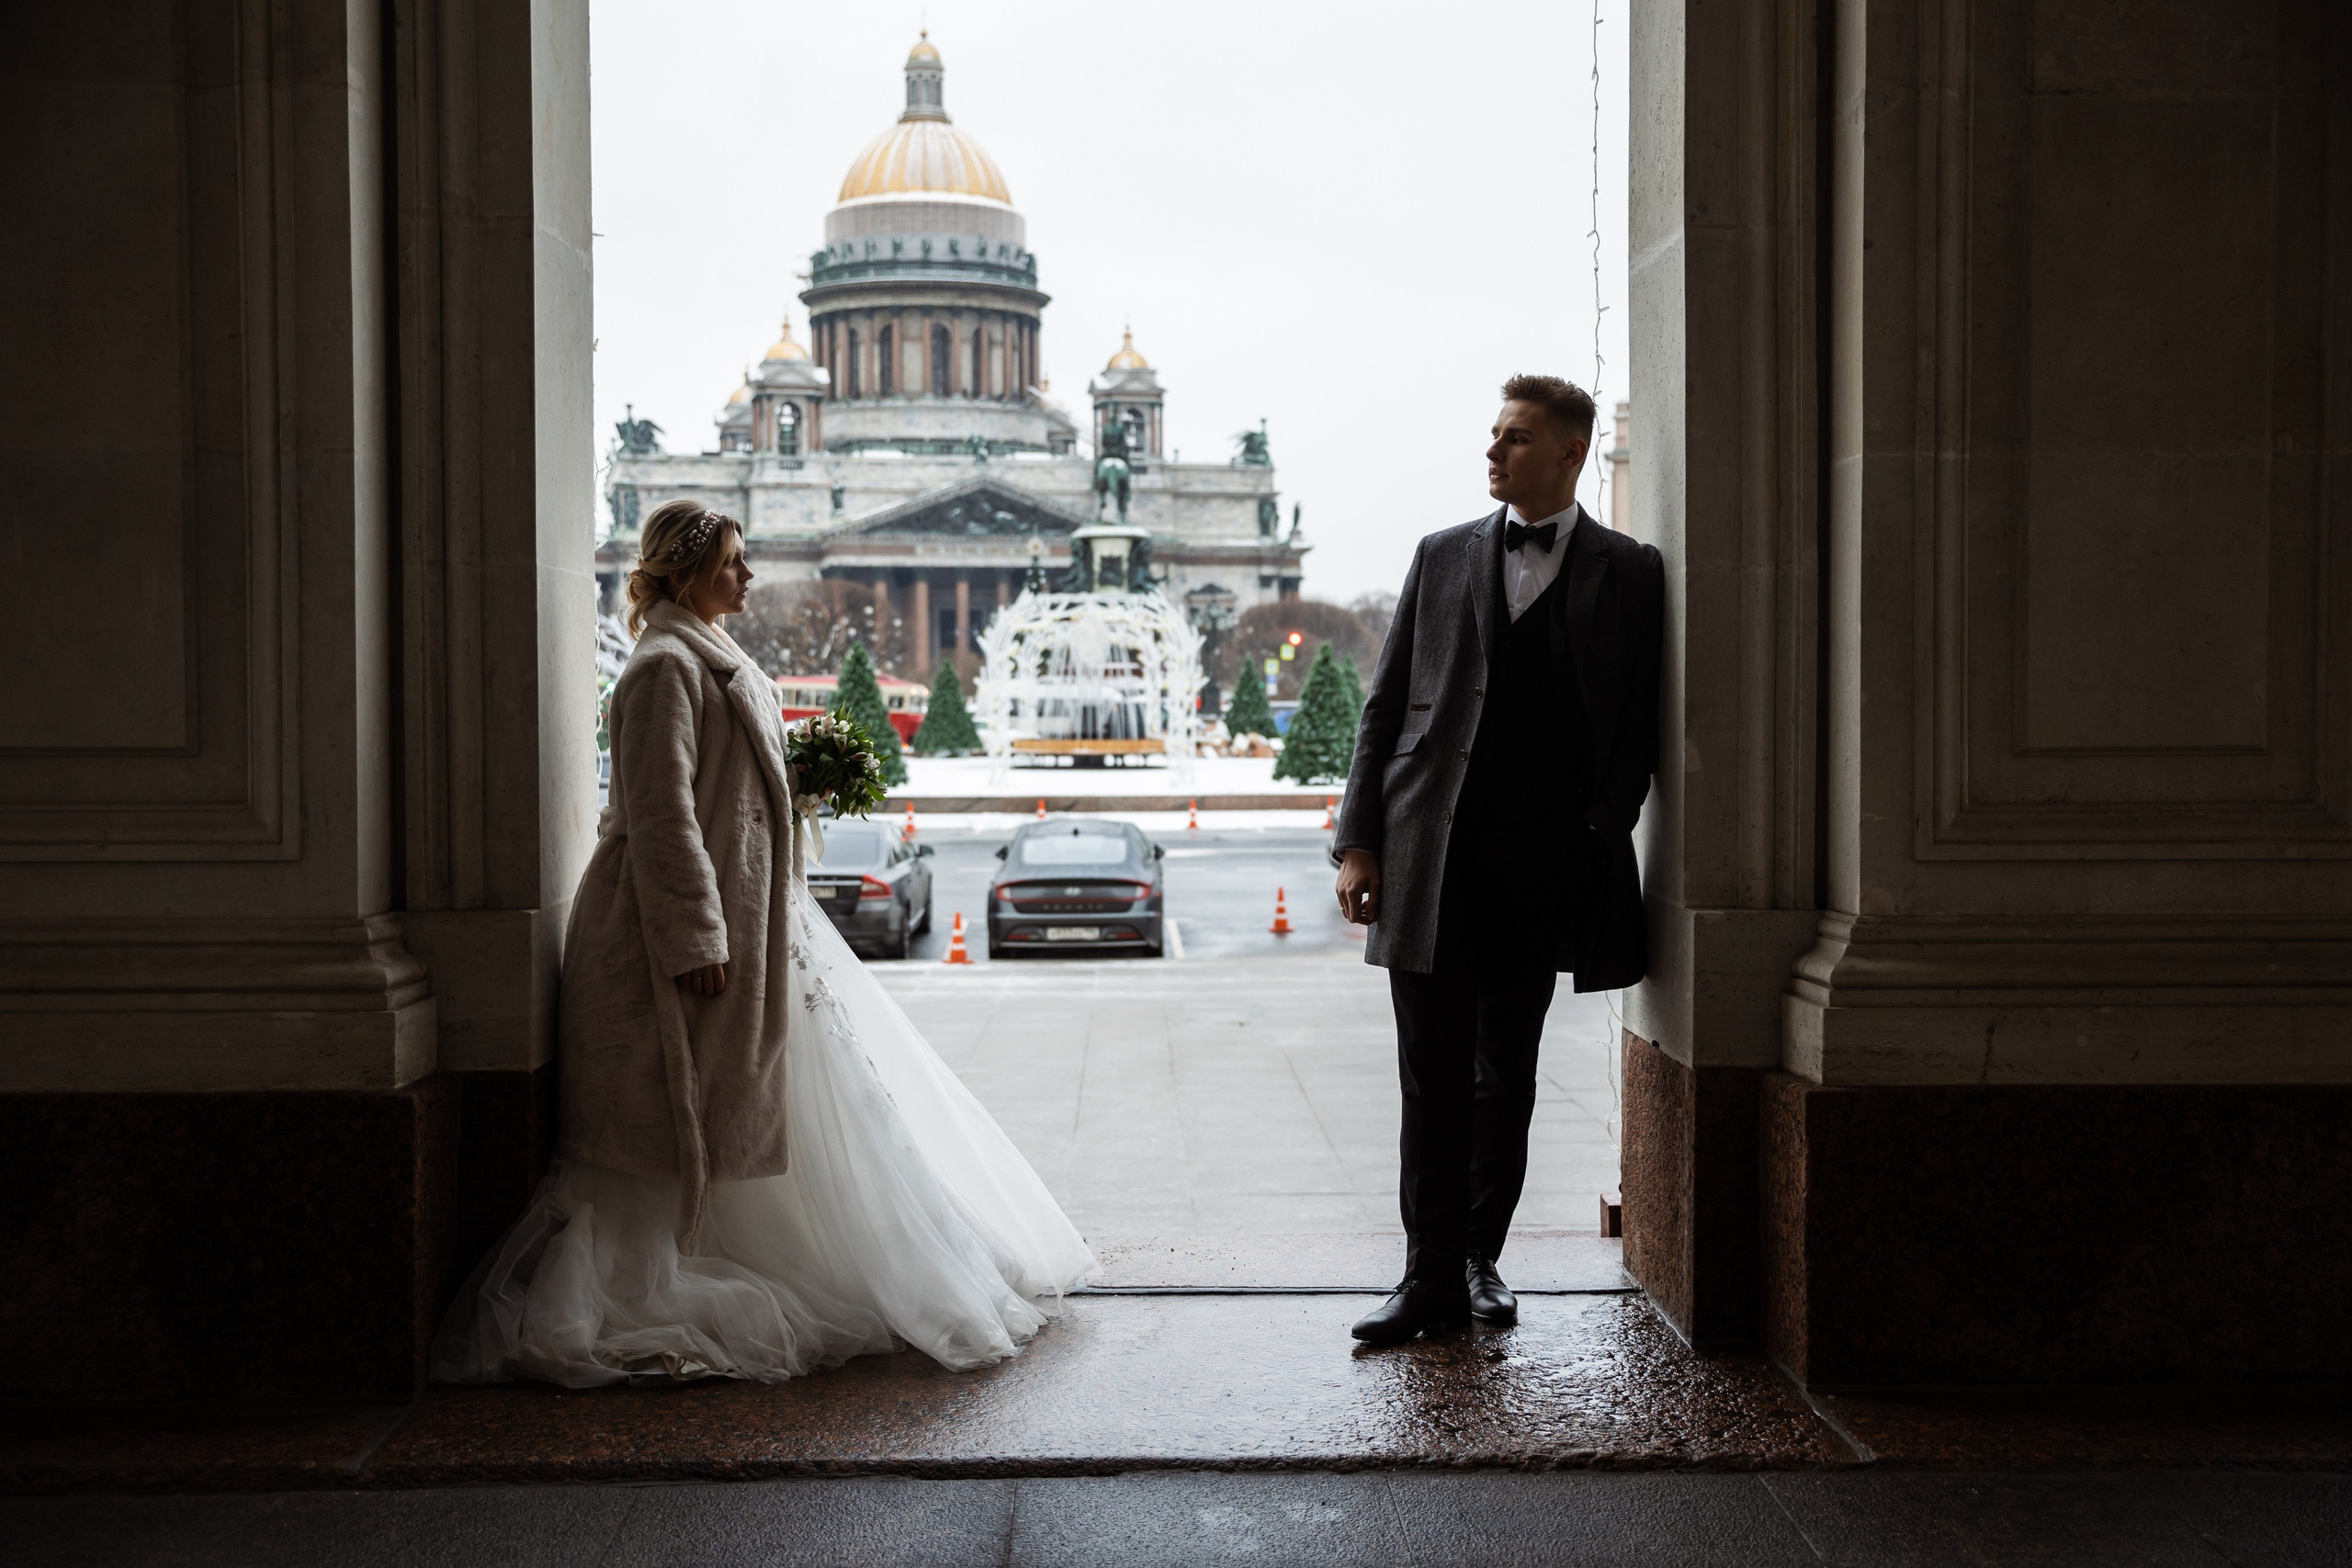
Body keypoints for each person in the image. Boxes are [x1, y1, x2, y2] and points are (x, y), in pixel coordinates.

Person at [434, 501, 1094, 1386]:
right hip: (686, 933)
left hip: (749, 919)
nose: (749, 578)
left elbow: (713, 792)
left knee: (765, 1100)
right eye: (735, 562)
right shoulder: (664, 667)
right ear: (686, 570)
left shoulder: (701, 654)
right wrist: (695, 933)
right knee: (689, 1112)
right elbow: (664, 816)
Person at [1331, 375, 1663, 1347]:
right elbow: (1383, 710)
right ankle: (1423, 1276)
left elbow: (1638, 723)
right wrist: (1358, 844)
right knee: (1428, 1080)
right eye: (1492, 434)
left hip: (1543, 870)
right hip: (1430, 862)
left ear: (1568, 454)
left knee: (1502, 1078)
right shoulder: (1439, 558)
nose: (1493, 451)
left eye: (1515, 438)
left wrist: (1602, 826)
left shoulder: (1629, 570)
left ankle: (1479, 1262)